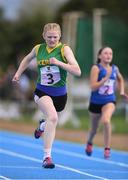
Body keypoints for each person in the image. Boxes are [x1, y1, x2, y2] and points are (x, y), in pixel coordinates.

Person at [12, 23, 81, 168]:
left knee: (53, 119)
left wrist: (59, 63)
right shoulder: (38, 49)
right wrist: (18, 73)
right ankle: (47, 157)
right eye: (49, 37)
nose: (52, 40)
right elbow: (27, 59)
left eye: (55, 37)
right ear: (44, 36)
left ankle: (42, 125)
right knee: (53, 117)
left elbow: (77, 71)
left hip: (60, 95)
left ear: (60, 36)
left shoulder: (64, 50)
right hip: (42, 91)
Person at [85, 46, 128, 159]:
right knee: (94, 129)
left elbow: (120, 79)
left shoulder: (115, 68)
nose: (108, 55)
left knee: (106, 120)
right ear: (100, 56)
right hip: (95, 102)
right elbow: (93, 87)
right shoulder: (96, 68)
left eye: (110, 53)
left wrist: (122, 91)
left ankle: (107, 148)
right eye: (106, 53)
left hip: (109, 100)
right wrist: (104, 79)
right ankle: (89, 142)